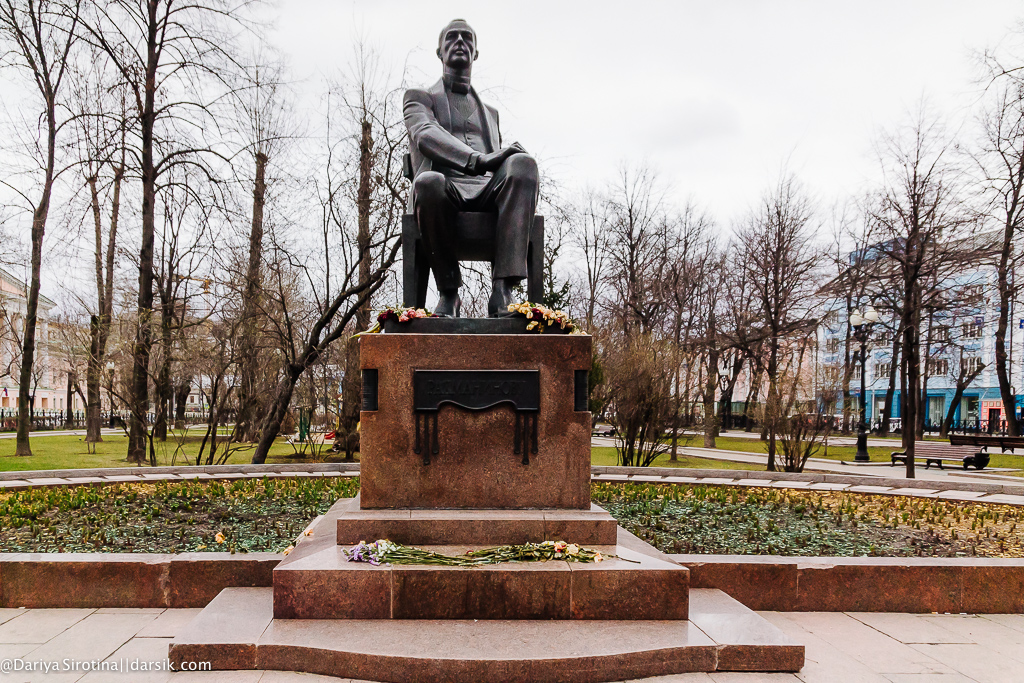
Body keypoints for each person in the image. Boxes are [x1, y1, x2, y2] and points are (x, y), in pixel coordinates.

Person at [403, 19, 539, 317]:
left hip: (489, 193)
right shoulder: (419, 98)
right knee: (427, 183)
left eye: (467, 38)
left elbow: (504, 163)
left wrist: (504, 162)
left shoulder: (491, 113)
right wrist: (477, 160)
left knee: (524, 164)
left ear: (475, 53)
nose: (460, 42)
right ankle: (449, 293)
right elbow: (425, 134)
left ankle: (502, 292)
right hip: (444, 189)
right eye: (452, 37)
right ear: (440, 51)